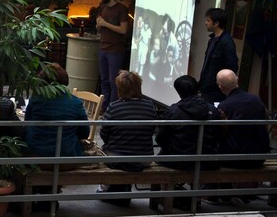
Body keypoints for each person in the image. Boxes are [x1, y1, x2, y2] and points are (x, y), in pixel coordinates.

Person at [98, 70, 156, 206]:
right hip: (143, 159)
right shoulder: (150, 107)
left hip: (116, 158)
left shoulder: (114, 107)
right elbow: (151, 130)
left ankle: (106, 188)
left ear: (120, 89)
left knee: (102, 150)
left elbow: (104, 134)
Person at [24, 63, 89, 168]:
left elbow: (27, 124)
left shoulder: (36, 99)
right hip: (67, 158)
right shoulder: (76, 102)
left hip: (36, 157)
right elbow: (84, 133)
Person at [155, 75, 221, 171]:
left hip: (178, 161)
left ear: (178, 92)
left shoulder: (173, 111)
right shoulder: (212, 110)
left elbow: (161, 137)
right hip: (207, 161)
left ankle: (163, 186)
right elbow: (218, 134)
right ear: (196, 88)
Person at [216, 69, 270, 169]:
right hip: (259, 157)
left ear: (221, 87)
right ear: (238, 80)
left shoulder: (224, 106)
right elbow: (266, 118)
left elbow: (220, 132)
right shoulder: (256, 99)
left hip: (233, 159)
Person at [96, 0, 129, 110]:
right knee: (104, 79)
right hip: (103, 48)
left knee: (113, 81)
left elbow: (123, 30)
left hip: (115, 50)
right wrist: (99, 25)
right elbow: (99, 29)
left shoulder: (121, 9)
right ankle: (104, 106)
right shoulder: (102, 8)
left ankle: (113, 108)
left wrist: (105, 24)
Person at [199, 8, 238, 103]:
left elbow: (232, 67)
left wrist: (221, 84)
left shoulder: (227, 42)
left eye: (208, 20)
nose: (206, 23)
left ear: (216, 23)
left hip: (217, 92)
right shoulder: (212, 39)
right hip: (206, 89)